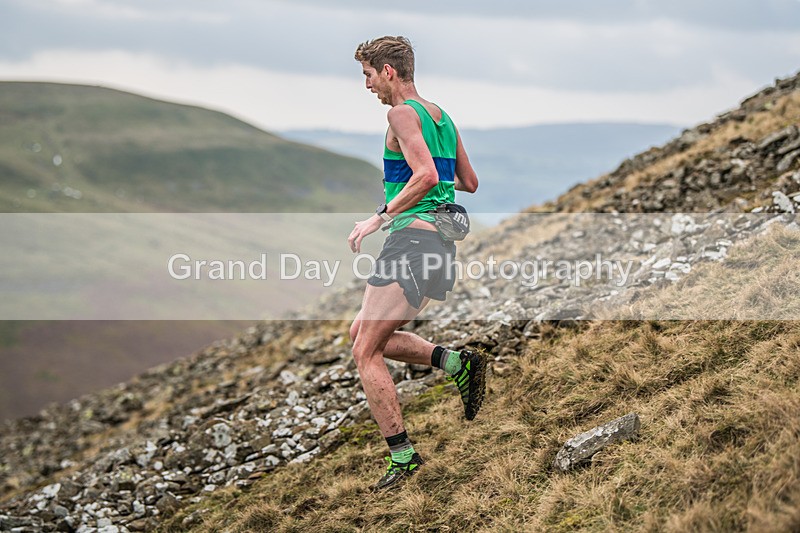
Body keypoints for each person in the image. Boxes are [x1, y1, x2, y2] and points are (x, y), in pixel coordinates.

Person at [348, 35, 486, 490]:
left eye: (368, 75)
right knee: (365, 334)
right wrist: (424, 181)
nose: (367, 85)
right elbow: (467, 181)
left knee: (364, 351)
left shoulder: (401, 114)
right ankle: (456, 364)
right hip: (441, 245)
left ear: (388, 71)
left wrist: (381, 215)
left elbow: (426, 175)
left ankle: (403, 456)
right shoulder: (440, 116)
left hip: (411, 241)